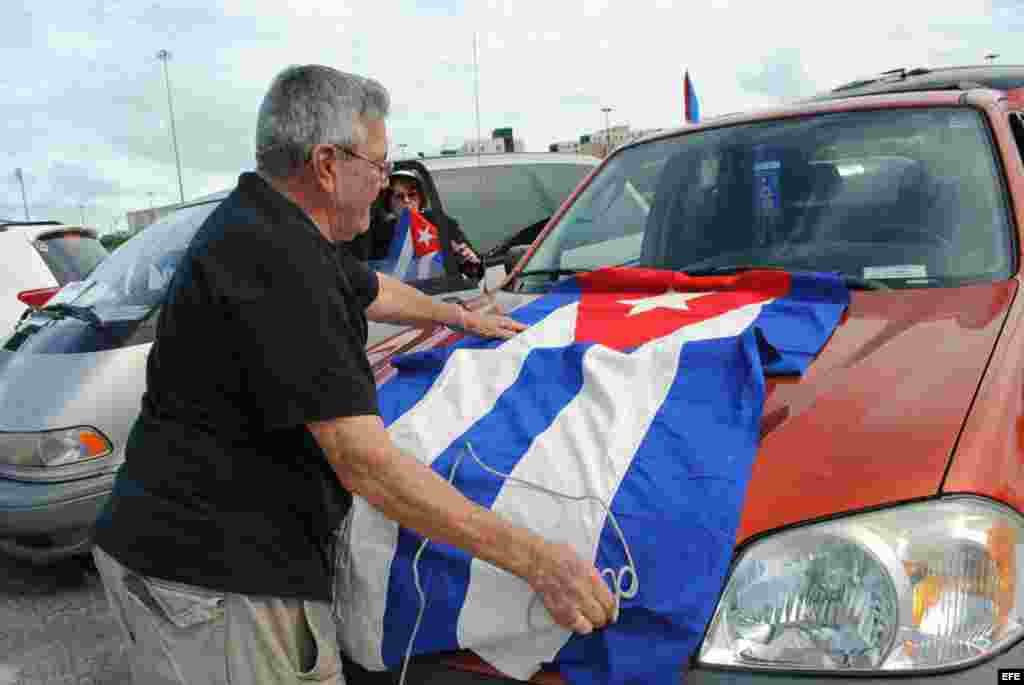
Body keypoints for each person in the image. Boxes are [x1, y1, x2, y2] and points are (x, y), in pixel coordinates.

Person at [91, 64, 615, 685]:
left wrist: (460, 317)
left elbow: (368, 289)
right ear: (326, 163)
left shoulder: (270, 225)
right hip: (211, 584)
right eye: (379, 164)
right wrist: (538, 561)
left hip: (180, 561)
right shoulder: (279, 263)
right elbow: (365, 464)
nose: (384, 183)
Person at [350, 169, 484, 280]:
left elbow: (476, 272)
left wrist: (470, 262)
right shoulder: (376, 232)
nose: (407, 201)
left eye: (412, 195)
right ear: (389, 202)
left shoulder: (441, 223)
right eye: (399, 196)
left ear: (421, 199)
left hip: (441, 295)